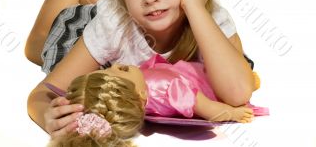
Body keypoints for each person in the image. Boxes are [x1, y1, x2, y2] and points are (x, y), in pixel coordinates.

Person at [25, 0, 257, 139]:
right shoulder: (112, 23)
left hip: (130, 12)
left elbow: (237, 94)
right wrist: (47, 115)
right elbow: (40, 95)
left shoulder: (211, 17)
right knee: (36, 48)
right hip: (101, 23)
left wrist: (194, 7)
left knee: (137, 4)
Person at [47, 54, 259, 147]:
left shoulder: (158, 84)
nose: (116, 63)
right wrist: (231, 113)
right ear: (140, 97)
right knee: (244, 82)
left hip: (198, 72)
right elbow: (205, 106)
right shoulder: (168, 88)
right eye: (120, 69)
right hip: (208, 81)